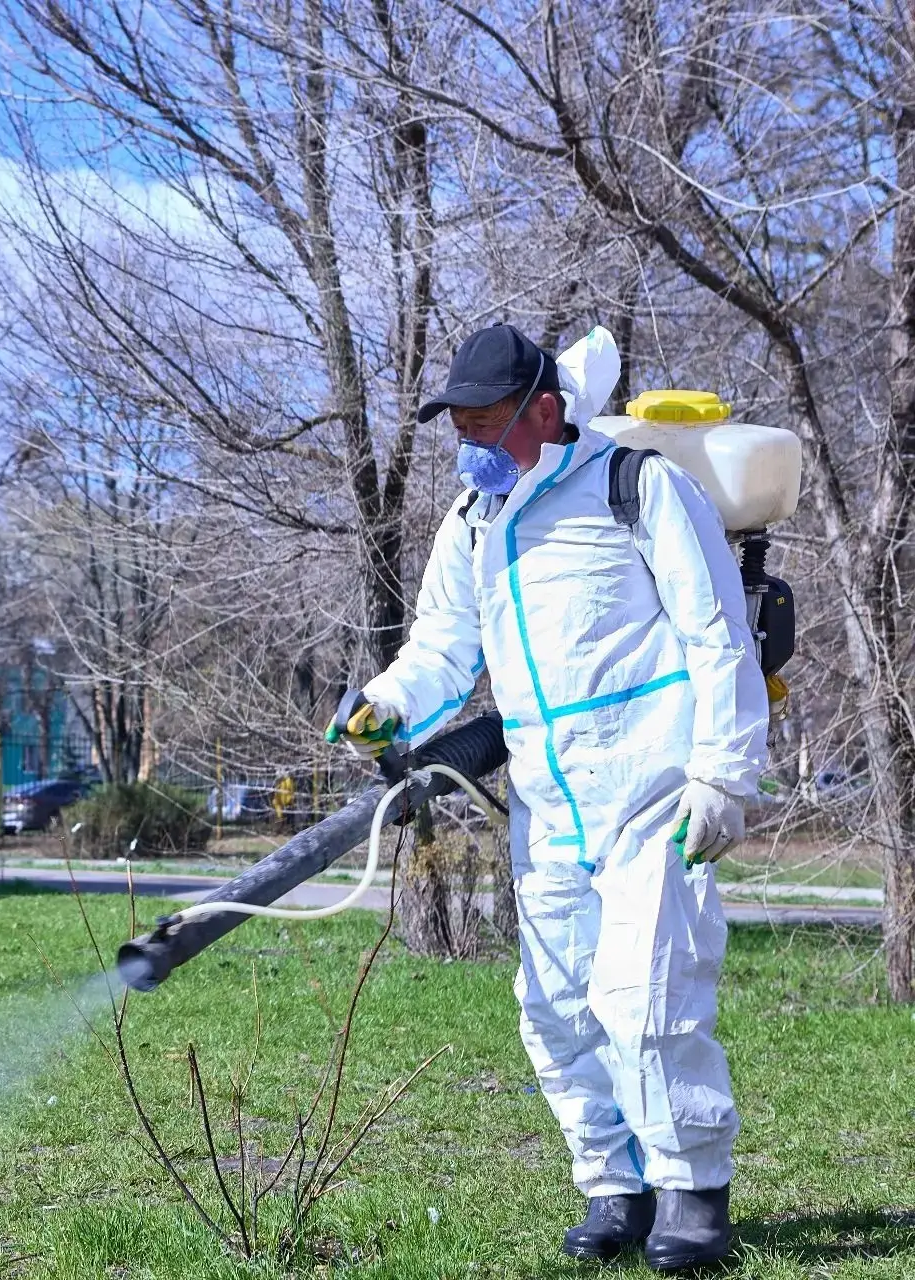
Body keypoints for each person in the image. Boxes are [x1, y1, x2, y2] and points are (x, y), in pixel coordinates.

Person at [327, 324, 767, 1271]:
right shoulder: (472, 524)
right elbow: (443, 648)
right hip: (548, 802)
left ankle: (692, 1195)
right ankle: (614, 1188)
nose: (470, 443)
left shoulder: (636, 486)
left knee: (645, 1000)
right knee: (557, 1006)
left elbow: (717, 633)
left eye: (486, 423)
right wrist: (386, 706)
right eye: (460, 427)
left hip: (655, 791)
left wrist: (724, 776)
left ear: (545, 410)